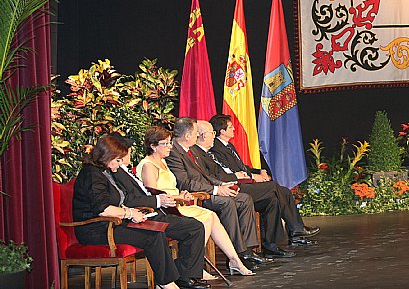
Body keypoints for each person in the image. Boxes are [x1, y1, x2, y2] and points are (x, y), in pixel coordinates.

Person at [72, 135, 210, 289]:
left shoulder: (104, 170)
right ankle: (166, 283)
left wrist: (131, 213)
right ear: (107, 156)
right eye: (118, 160)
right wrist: (130, 213)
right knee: (153, 235)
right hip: (97, 229)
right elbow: (103, 209)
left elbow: (117, 202)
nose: (120, 165)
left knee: (157, 231)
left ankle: (167, 281)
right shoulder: (91, 174)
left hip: (115, 223)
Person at [116, 128, 254, 276]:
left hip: (177, 203)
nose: (170, 146)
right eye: (166, 143)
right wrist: (178, 198)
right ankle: (195, 264)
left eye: (170, 143)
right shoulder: (149, 165)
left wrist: (182, 195)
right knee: (206, 219)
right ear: (153, 146)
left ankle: (233, 260)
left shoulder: (163, 162)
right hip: (167, 209)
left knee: (212, 216)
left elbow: (170, 188)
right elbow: (154, 195)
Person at [165, 117, 274, 267]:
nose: (198, 136)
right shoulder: (174, 153)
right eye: (196, 133)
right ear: (188, 136)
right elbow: (185, 183)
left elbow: (205, 175)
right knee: (227, 203)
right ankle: (236, 255)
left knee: (244, 199)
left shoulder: (190, 150)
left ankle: (247, 250)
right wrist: (216, 190)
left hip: (208, 189)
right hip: (197, 196)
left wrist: (223, 184)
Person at [205, 116, 320, 245]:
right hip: (237, 186)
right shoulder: (216, 150)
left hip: (245, 181)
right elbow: (232, 173)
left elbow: (242, 168)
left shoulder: (228, 146)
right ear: (222, 131)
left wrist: (258, 171)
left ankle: (290, 237)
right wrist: (252, 177)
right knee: (273, 187)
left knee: (283, 193)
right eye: (230, 127)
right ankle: (296, 229)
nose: (234, 129)